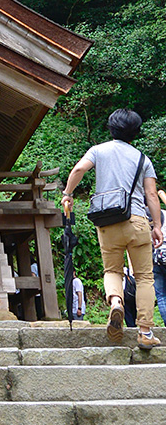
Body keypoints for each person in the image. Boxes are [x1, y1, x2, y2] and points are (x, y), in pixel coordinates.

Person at [63, 109, 163, 349]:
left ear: (111, 128)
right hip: (138, 222)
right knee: (144, 277)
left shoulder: (98, 150)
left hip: (107, 222)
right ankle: (146, 332)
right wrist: (158, 225)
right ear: (135, 133)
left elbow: (78, 170)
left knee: (112, 270)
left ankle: (116, 302)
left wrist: (67, 194)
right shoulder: (143, 159)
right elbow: (151, 194)